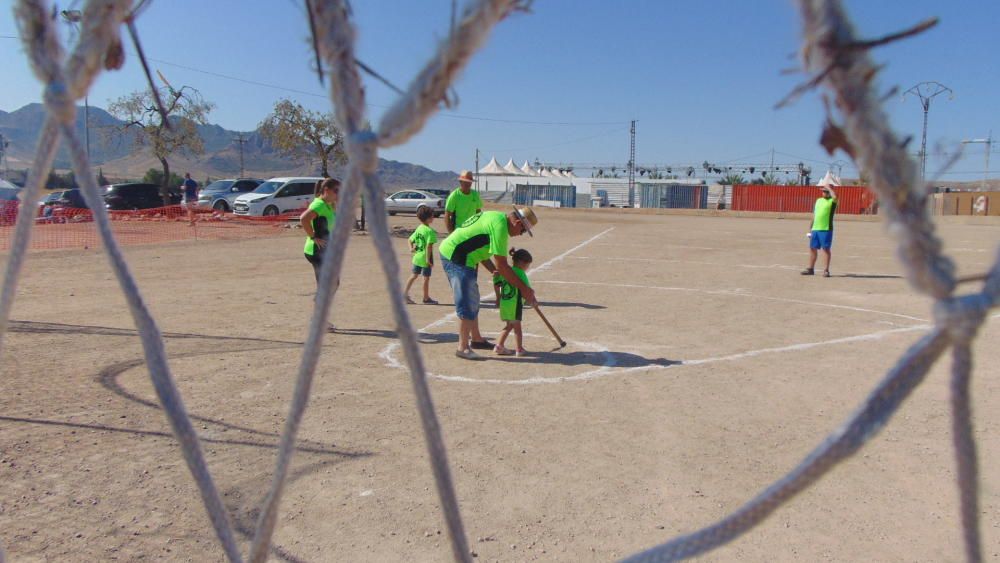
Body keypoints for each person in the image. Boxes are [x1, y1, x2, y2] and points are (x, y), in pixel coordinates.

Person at [439, 206, 538, 360]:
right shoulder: (500, 228)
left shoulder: (496, 217)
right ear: (517, 222)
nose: (520, 234)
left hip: (463, 256)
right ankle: (463, 348)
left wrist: (493, 270)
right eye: (523, 230)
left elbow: (480, 247)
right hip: (456, 257)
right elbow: (503, 265)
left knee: (473, 297)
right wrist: (525, 289)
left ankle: (476, 339)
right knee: (467, 300)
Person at [300, 177, 340, 332]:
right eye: (336, 191)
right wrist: (313, 237)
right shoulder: (319, 204)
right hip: (316, 252)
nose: (338, 194)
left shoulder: (328, 205)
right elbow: (304, 219)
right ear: (327, 190)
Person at [494, 247, 533, 357]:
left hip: (505, 303)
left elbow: (496, 282)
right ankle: (519, 349)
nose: (527, 268)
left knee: (509, 325)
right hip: (515, 304)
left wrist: (497, 298)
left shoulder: (506, 271)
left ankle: (499, 346)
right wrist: (532, 300)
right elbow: (527, 290)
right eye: (527, 265)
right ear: (521, 263)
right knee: (517, 328)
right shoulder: (520, 273)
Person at [404, 205, 438, 305]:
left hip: (417, 257)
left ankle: (404, 294)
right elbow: (429, 247)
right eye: (432, 216)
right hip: (425, 258)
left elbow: (410, 240)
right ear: (428, 218)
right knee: (426, 278)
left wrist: (411, 249)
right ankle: (426, 298)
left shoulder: (419, 228)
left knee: (414, 275)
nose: (433, 218)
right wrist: (428, 260)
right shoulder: (430, 231)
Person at [801, 184, 837, 277]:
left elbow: (835, 197)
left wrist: (829, 188)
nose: (824, 193)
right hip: (815, 229)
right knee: (812, 248)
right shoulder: (818, 201)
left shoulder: (832, 201)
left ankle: (826, 270)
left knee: (826, 249)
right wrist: (810, 228)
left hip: (826, 229)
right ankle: (811, 269)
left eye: (826, 191)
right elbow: (814, 215)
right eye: (823, 191)